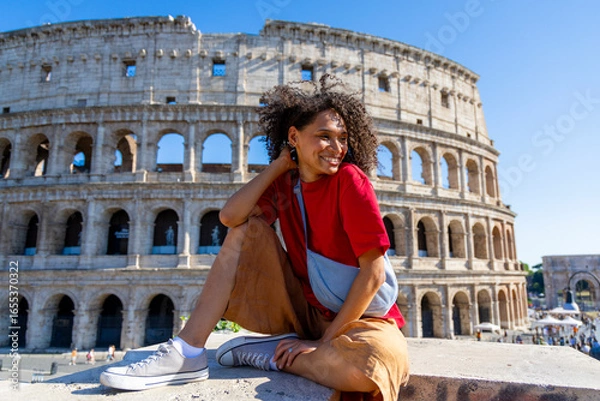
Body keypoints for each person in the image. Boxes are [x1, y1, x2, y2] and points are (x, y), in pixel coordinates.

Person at [100, 75, 410, 400]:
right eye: (324, 137)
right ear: (294, 136)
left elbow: (373, 274)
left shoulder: (349, 180)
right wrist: (278, 166)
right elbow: (230, 217)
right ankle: (187, 352)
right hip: (306, 309)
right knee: (244, 229)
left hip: (362, 318)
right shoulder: (284, 185)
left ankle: (274, 356)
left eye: (343, 138)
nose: (337, 148)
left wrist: (323, 342)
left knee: (372, 367)